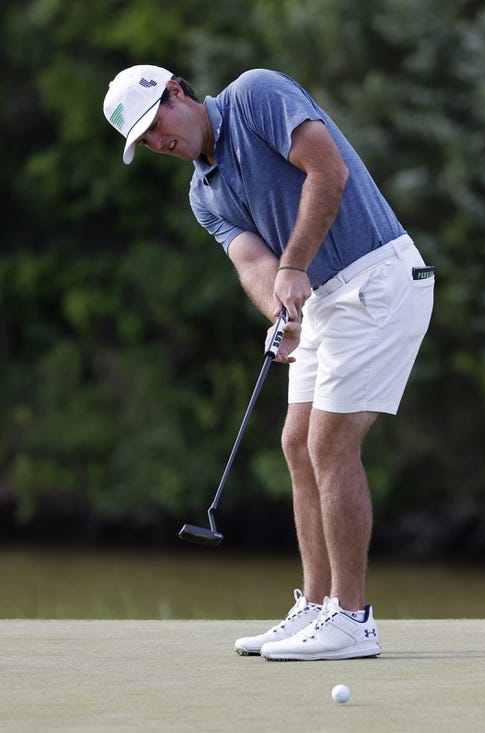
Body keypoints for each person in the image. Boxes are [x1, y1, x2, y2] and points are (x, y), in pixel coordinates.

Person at [102, 65, 434, 660]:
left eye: (155, 125)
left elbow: (327, 173)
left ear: (177, 92)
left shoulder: (255, 94)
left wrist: (294, 269)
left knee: (330, 444)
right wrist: (282, 311)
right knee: (296, 441)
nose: (158, 143)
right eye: (144, 142)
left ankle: (353, 620)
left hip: (378, 278)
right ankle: (316, 606)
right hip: (326, 298)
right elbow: (254, 262)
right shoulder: (203, 195)